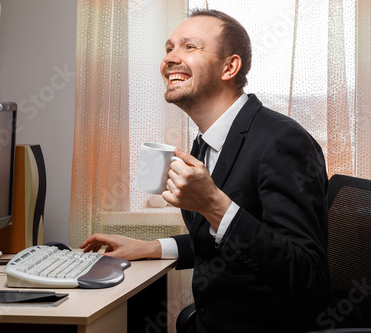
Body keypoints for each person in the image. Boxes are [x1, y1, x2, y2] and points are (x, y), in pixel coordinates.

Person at [80, 9, 330, 332]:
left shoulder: (283, 141)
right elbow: (225, 243)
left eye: (189, 47)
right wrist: (151, 248)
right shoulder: (205, 143)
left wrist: (214, 204)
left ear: (230, 67)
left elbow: (307, 276)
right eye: (169, 48)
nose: (170, 58)